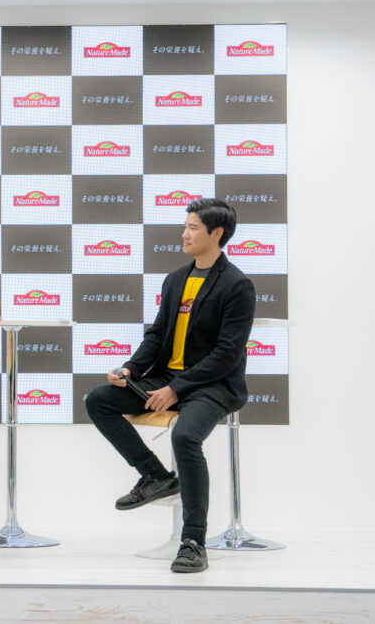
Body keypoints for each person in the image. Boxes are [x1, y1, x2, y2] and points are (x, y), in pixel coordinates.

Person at [84, 198, 254, 573]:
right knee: (99, 400)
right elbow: (157, 335)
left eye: (193, 227)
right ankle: (156, 476)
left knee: (185, 437)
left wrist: (177, 389)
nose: (185, 234)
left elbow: (227, 353)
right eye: (186, 226)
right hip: (167, 378)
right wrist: (130, 369)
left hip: (213, 385)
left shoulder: (237, 285)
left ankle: (193, 542)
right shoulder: (176, 279)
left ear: (217, 233)